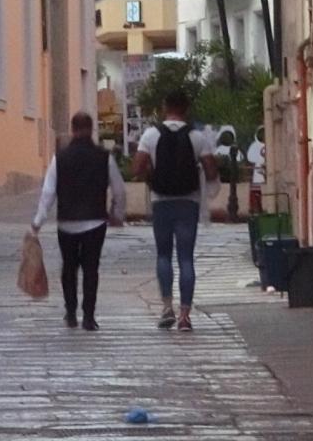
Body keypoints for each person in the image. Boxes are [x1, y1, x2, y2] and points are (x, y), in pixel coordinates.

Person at [132, 88, 218, 332]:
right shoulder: (197, 137)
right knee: (186, 257)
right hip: (188, 202)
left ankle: (167, 308)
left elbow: (136, 169)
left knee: (163, 255)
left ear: (164, 107)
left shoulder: (151, 135)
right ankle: (185, 316)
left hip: (161, 201)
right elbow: (212, 172)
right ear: (186, 109)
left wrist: (151, 175)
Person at [32, 111, 126, 331]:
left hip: (67, 221)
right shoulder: (104, 157)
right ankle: (89, 316)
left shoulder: (60, 158)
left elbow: (48, 192)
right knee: (91, 268)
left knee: (69, 267)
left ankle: (71, 312)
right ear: (91, 129)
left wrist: (38, 221)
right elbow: (119, 189)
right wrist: (117, 214)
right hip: (95, 221)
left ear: (72, 129)